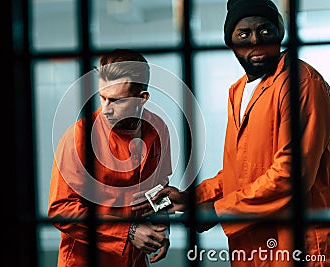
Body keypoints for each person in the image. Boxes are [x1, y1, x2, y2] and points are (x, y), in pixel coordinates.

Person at [134, 0, 330, 266]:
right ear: (231, 41)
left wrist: (215, 211)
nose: (255, 41)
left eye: (265, 31)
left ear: (279, 33)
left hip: (299, 246)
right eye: (243, 33)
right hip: (254, 246)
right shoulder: (238, 91)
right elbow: (242, 171)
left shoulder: (300, 83)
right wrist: (194, 198)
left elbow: (291, 175)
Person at [48, 49, 172, 267]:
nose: (105, 109)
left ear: (142, 99)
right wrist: (129, 232)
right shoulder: (79, 136)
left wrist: (162, 227)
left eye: (116, 100)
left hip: (135, 260)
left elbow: (161, 186)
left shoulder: (158, 129)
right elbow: (61, 209)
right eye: (102, 97)